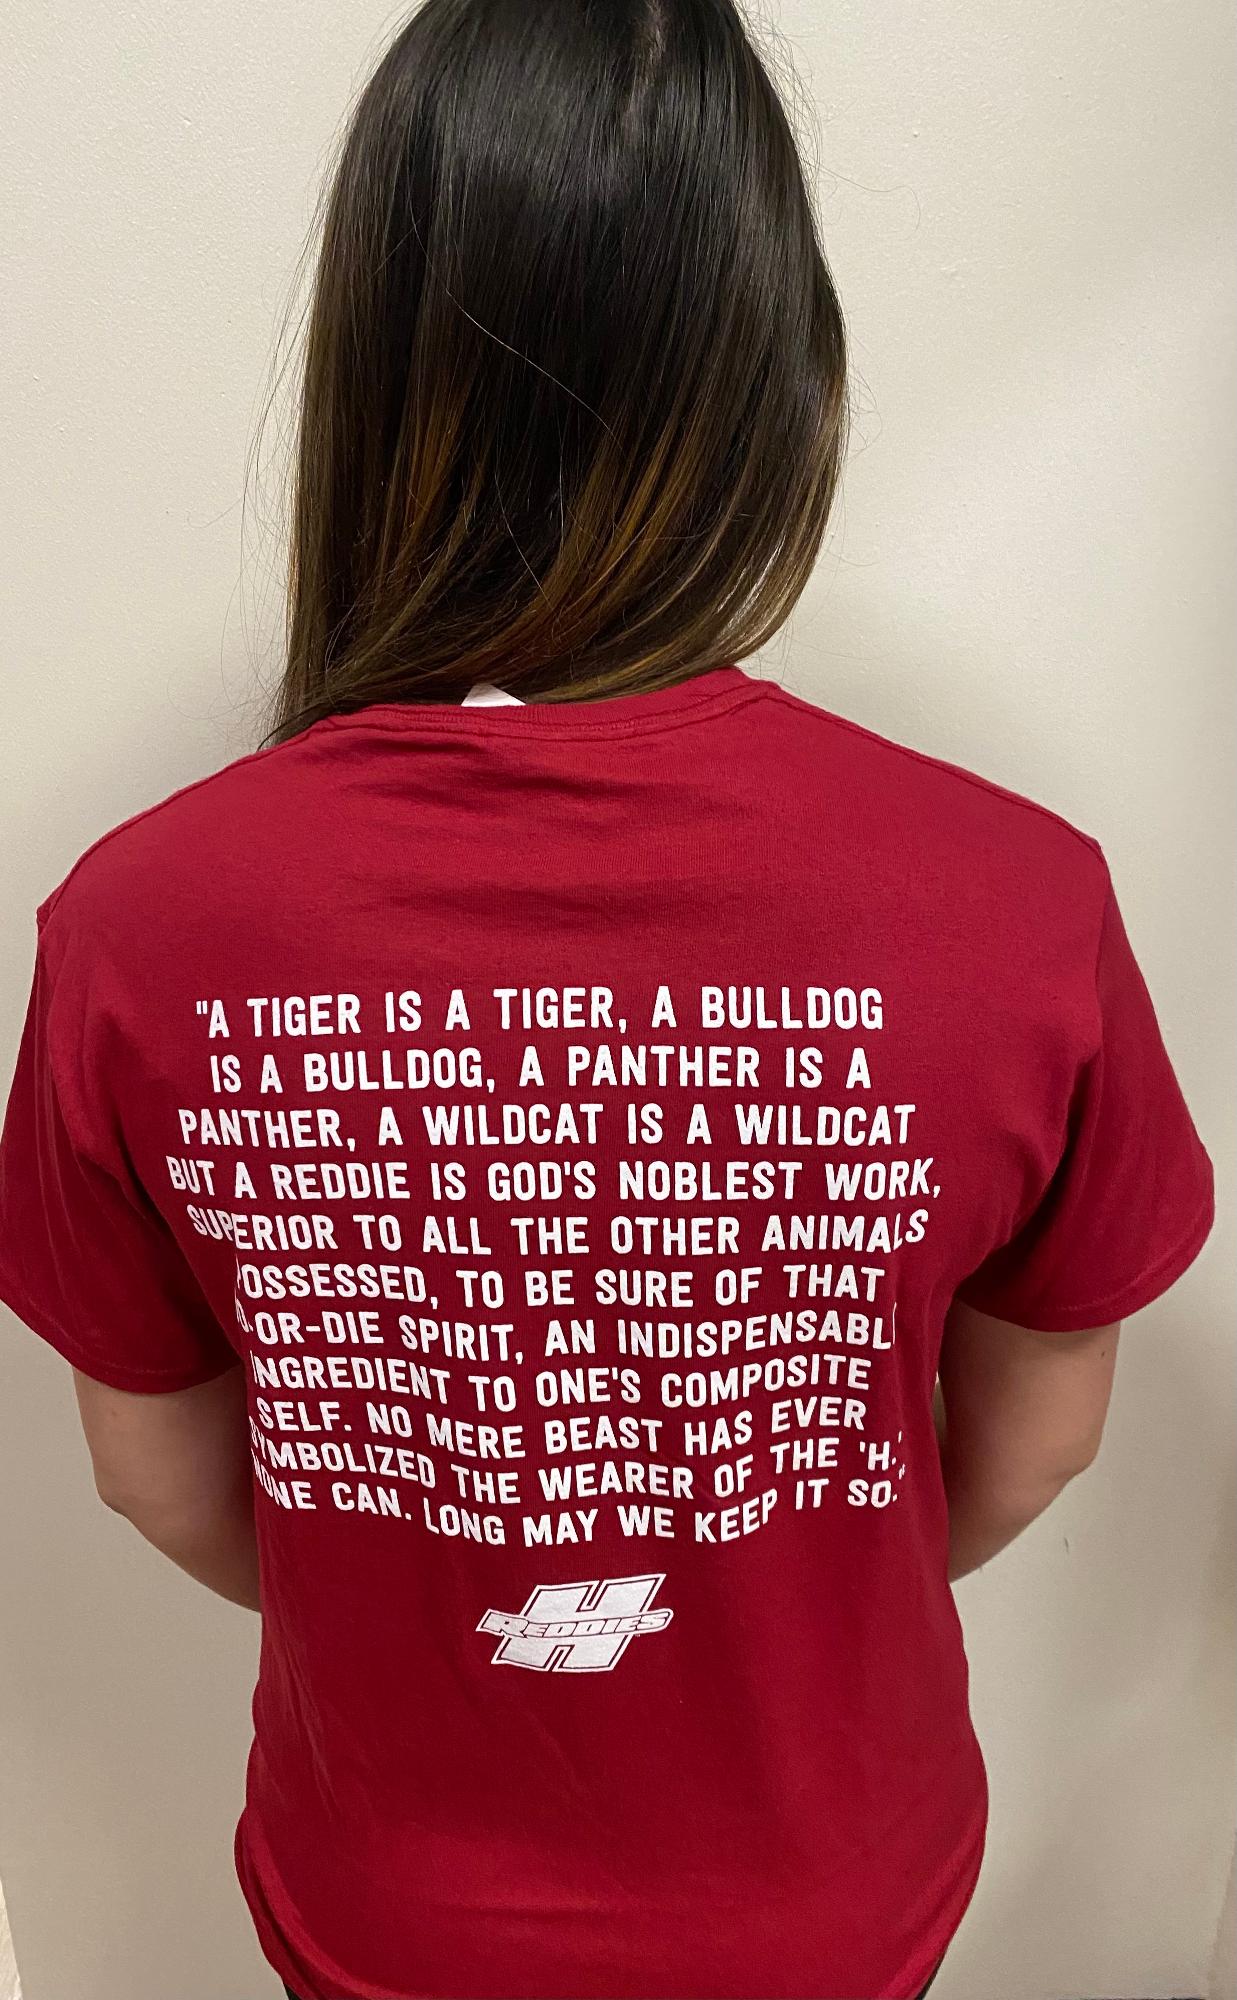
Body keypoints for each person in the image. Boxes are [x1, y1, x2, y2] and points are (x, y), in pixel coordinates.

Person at [0, 2, 1216, 1997]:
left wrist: (443, 1592)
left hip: (386, 1903)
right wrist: (757, 1591)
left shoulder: (137, 923)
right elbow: (1036, 1445)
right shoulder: (1017, 900)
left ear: (375, 368)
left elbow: (155, 1474)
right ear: (781, 379)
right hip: (829, 1894)